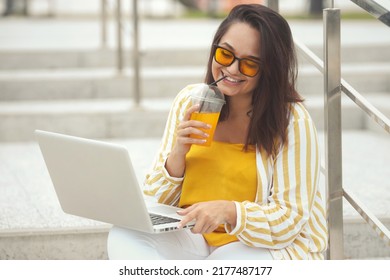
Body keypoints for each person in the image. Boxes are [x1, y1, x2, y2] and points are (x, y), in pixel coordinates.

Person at [108, 4, 327, 260]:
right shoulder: (189, 101)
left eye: (250, 64)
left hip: (262, 245)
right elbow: (154, 201)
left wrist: (229, 211)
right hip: (194, 236)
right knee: (124, 234)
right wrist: (177, 156)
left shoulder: (291, 120)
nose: (232, 69)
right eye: (225, 55)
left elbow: (290, 218)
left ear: (269, 70)